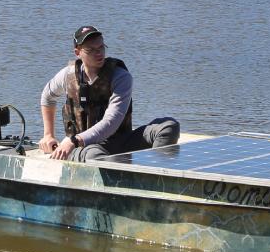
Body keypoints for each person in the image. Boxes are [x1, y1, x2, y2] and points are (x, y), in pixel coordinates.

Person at [39, 26, 179, 162]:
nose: (98, 53)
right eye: (91, 50)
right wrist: (48, 135)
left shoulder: (121, 77)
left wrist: (75, 140)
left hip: (119, 142)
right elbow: (48, 96)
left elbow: (111, 121)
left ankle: (155, 175)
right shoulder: (67, 75)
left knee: (169, 127)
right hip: (84, 147)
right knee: (95, 156)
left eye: (101, 47)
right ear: (78, 52)